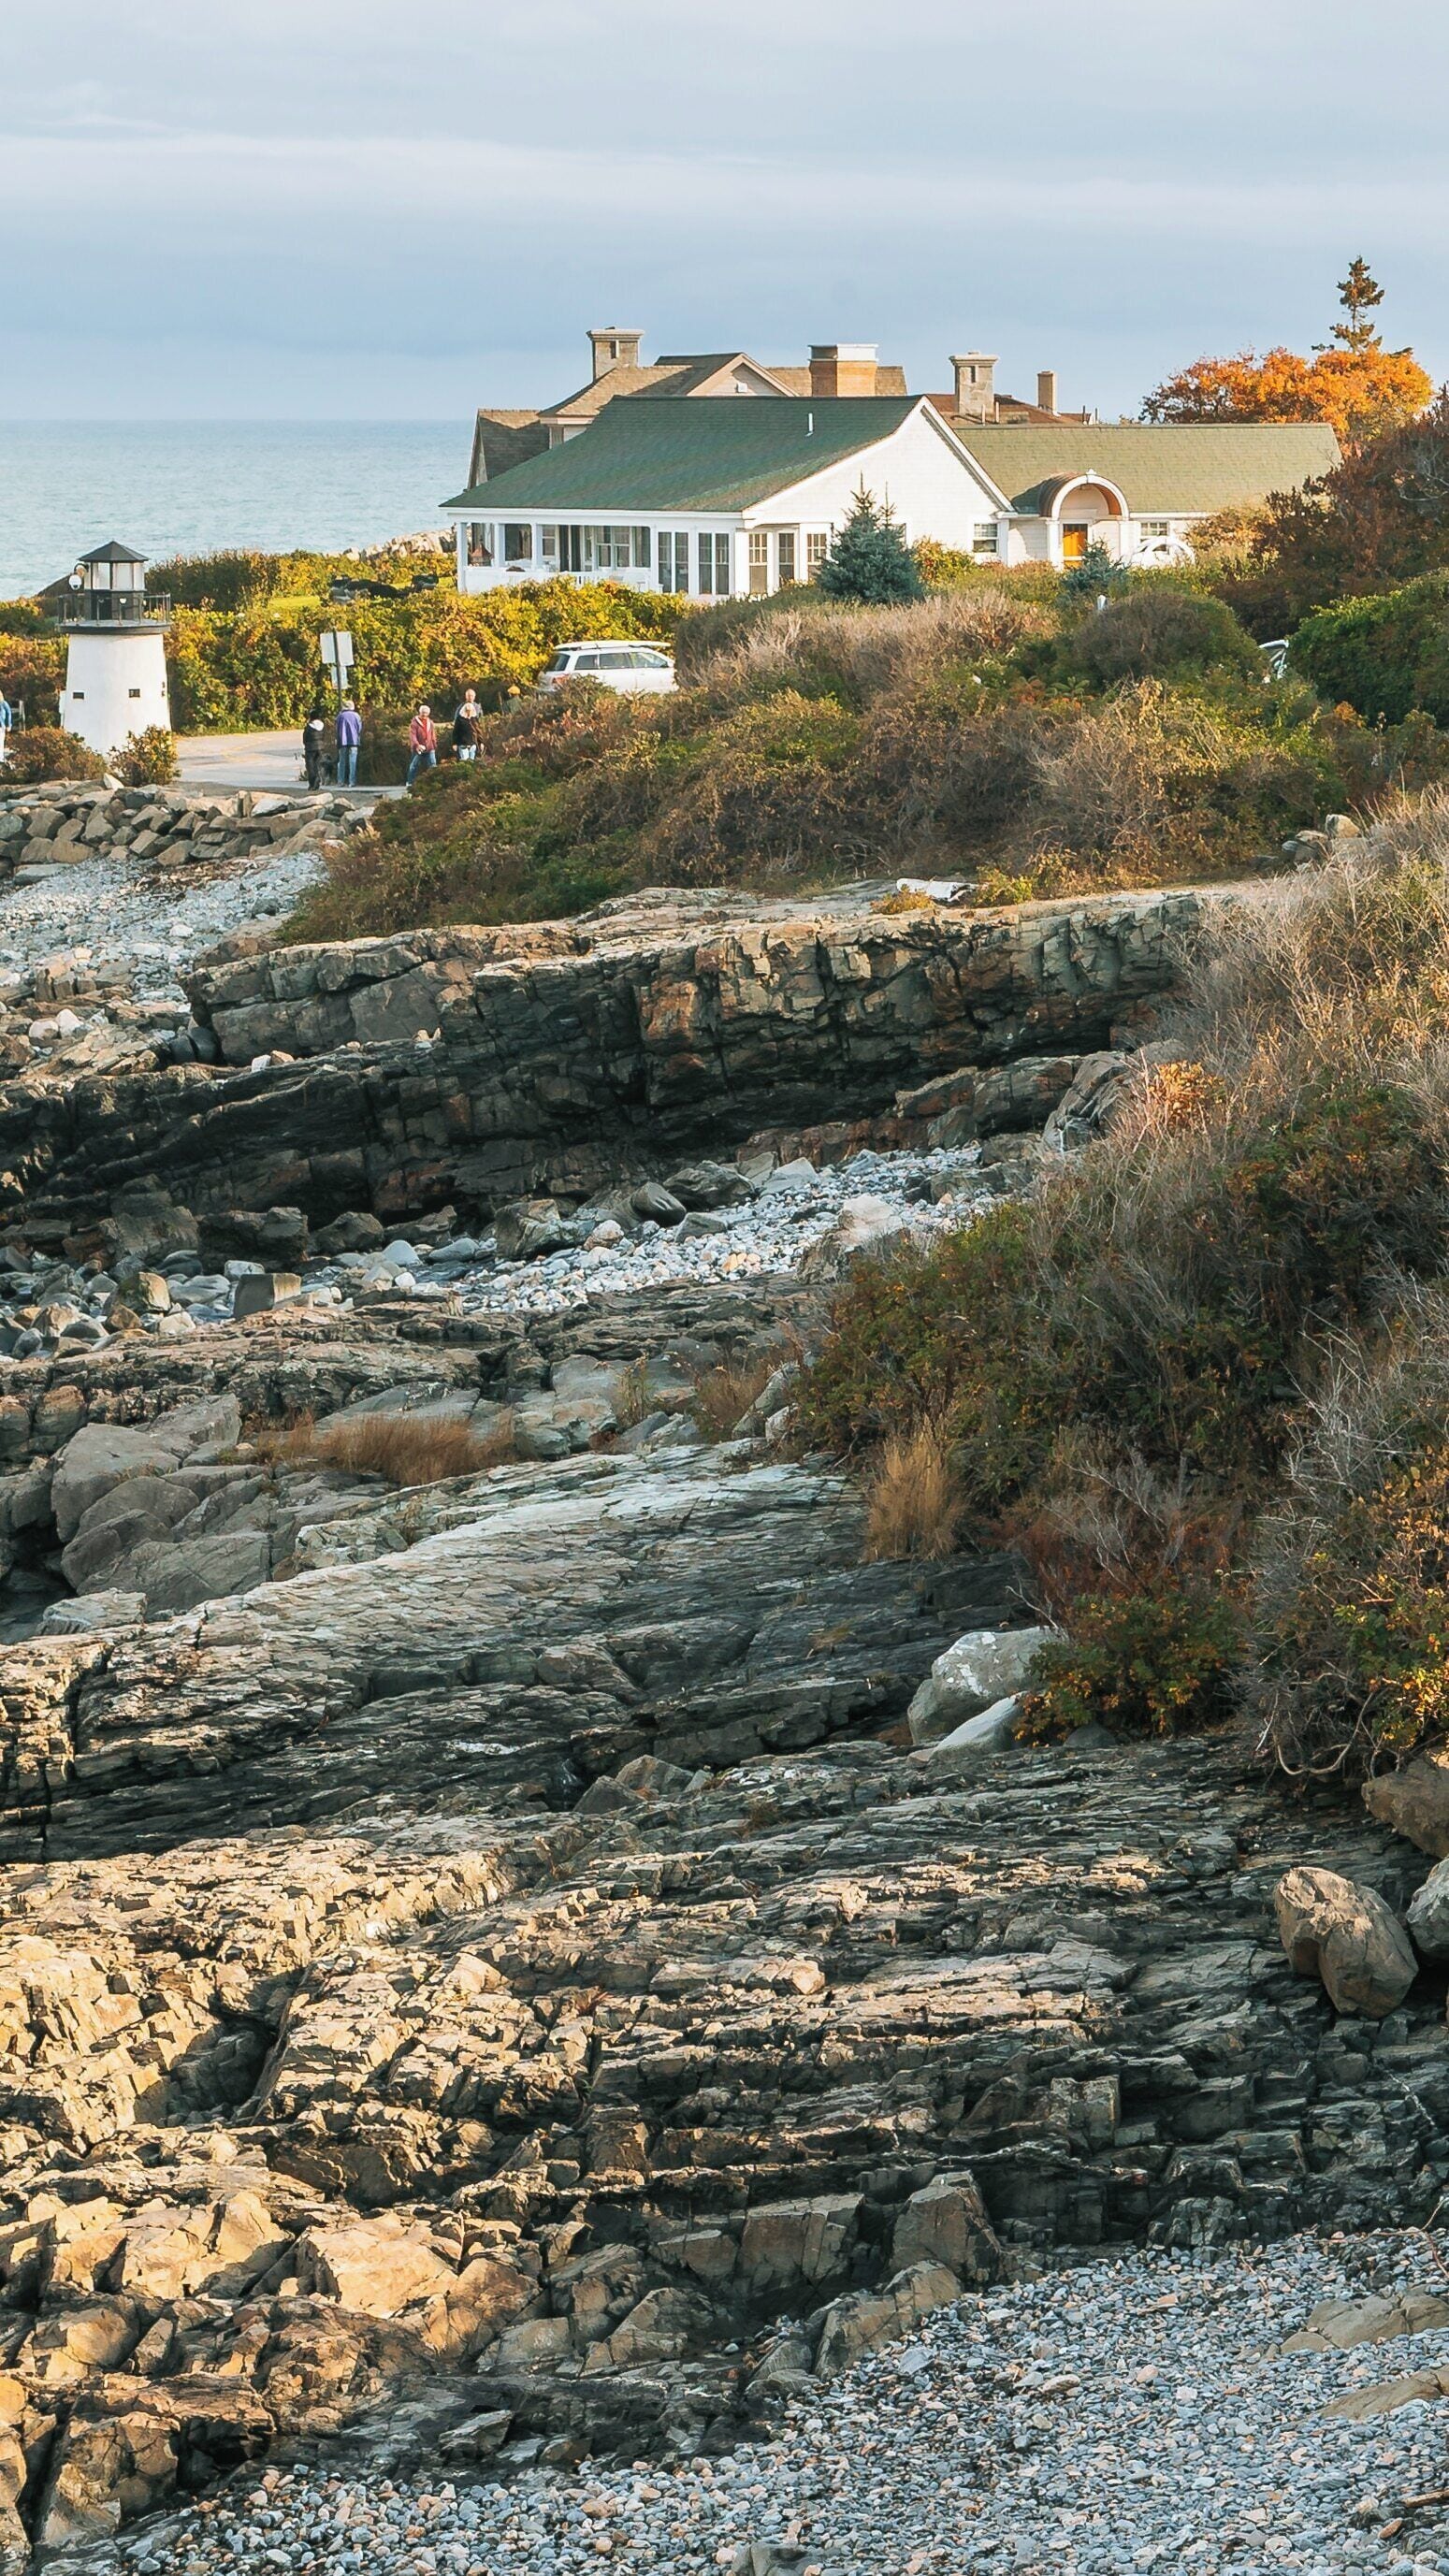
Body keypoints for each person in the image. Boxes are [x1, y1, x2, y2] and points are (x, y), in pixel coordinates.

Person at [406, 702, 438, 786]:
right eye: (423, 712)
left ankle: (435, 783)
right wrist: (417, 745)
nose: (424, 714)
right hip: (418, 749)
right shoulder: (414, 723)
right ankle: (410, 783)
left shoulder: (430, 722)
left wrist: (434, 744)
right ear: (420, 712)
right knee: (414, 765)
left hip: (430, 747)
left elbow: (433, 734)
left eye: (426, 713)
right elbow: (413, 735)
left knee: (433, 765)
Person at [336, 695, 362, 788]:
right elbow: (359, 728)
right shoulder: (356, 716)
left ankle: (341, 781)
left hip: (342, 741)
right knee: (352, 761)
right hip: (354, 741)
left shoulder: (340, 716)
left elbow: (337, 729)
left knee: (342, 762)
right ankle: (352, 782)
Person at [302, 704, 328, 790]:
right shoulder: (322, 726)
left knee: (310, 766)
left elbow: (305, 738)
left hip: (310, 748)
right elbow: (324, 736)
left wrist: (306, 745)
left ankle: (313, 783)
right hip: (320, 748)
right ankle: (317, 779)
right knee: (317, 765)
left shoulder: (309, 726)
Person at [451, 688, 482, 762]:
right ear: (466, 696)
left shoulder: (477, 707)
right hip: (462, 741)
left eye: (472, 696)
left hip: (473, 741)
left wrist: (480, 742)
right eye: (469, 696)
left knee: (472, 761)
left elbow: (479, 727)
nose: (470, 697)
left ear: (474, 696)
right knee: (464, 760)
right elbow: (456, 729)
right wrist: (455, 743)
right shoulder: (461, 708)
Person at [0, 694, 10, 765]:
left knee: (0, 742)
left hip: (1, 726)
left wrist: (8, 725)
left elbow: (8, 713)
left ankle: (0, 757)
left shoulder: (3, 703)